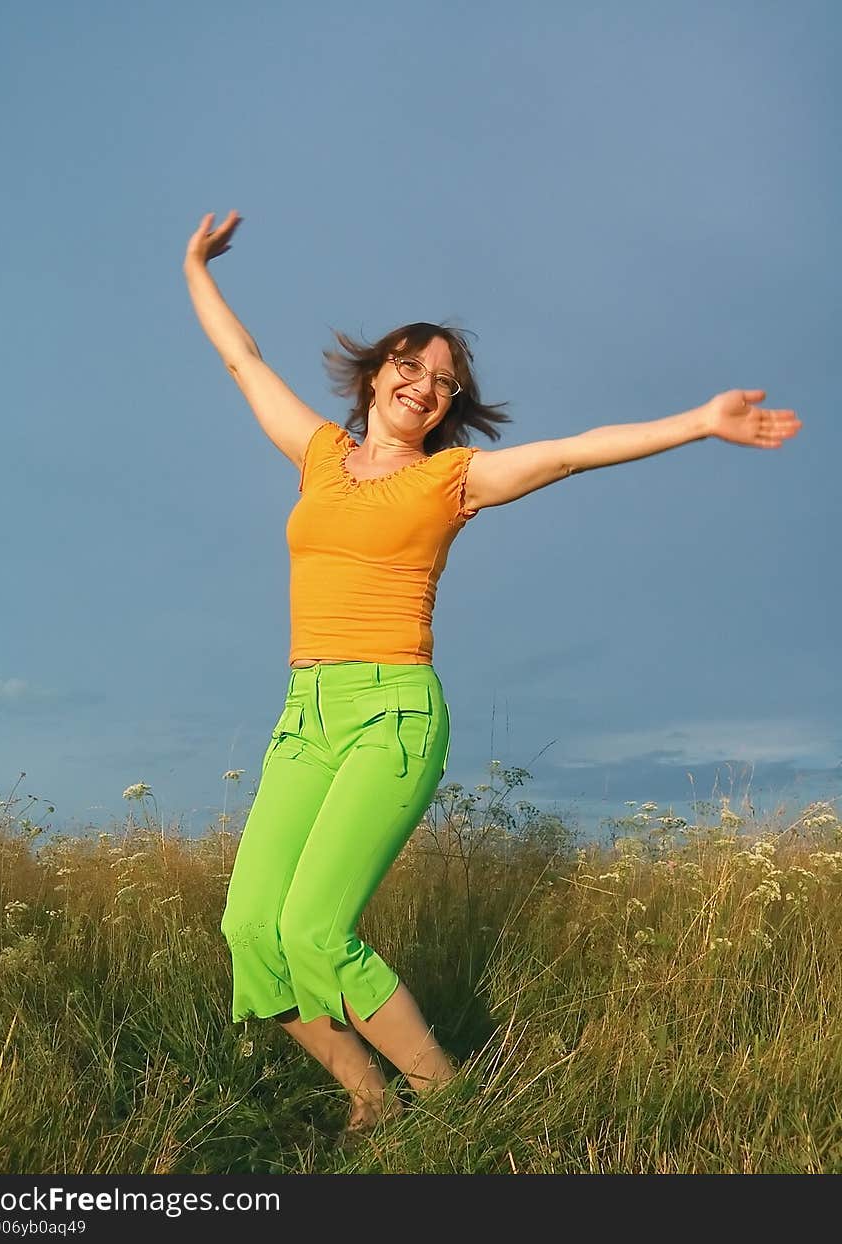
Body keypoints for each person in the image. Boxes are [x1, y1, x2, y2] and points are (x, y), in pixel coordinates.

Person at [183, 209, 801, 1144]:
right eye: (409, 364)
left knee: (314, 928)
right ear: (374, 371)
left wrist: (699, 423)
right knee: (251, 932)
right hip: (304, 713)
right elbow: (242, 358)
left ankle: (455, 1111)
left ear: (450, 408)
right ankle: (368, 1097)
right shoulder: (317, 457)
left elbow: (570, 451)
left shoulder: (454, 479)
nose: (423, 385)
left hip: (392, 713)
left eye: (443, 383)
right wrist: (194, 265)